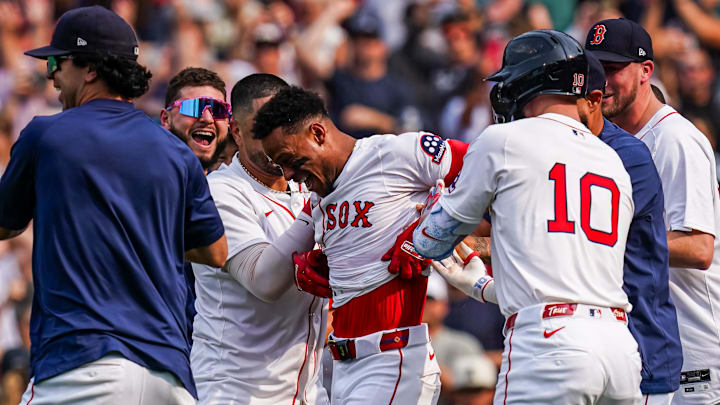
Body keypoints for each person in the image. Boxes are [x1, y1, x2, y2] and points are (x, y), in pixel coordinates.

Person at [0, 6, 227, 404]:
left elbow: (4, 224)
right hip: (168, 376)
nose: (50, 73)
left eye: (56, 60)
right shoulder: (176, 153)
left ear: (89, 70)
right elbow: (215, 251)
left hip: (82, 366)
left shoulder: (46, 135)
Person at [436, 50, 684, 405]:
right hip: (618, 342)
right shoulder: (612, 159)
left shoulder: (512, 141)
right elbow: (566, 265)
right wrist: (487, 286)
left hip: (567, 339)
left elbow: (436, 236)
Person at [251, 86, 469, 404]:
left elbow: (491, 177)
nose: (289, 175)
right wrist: (314, 268)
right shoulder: (318, 199)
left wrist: (435, 231)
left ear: (317, 133)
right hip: (339, 367)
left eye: (289, 159)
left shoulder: (399, 152)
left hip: (394, 358)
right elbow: (271, 277)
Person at [585, 18, 720, 405]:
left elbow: (699, 249)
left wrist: (601, 236)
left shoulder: (676, 140)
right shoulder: (608, 142)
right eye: (595, 70)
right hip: (647, 342)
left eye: (613, 69)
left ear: (646, 71)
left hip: (693, 347)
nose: (602, 81)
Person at [190, 73, 329, 405]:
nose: (276, 138)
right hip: (235, 391)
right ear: (236, 132)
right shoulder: (220, 192)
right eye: (261, 127)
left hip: (308, 391)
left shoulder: (304, 188)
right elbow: (264, 280)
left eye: (283, 124)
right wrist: (319, 205)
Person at [161, 67, 232, 174]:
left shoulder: (229, 187)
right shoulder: (143, 183)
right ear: (166, 119)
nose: (208, 119)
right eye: (193, 107)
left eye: (218, 109)